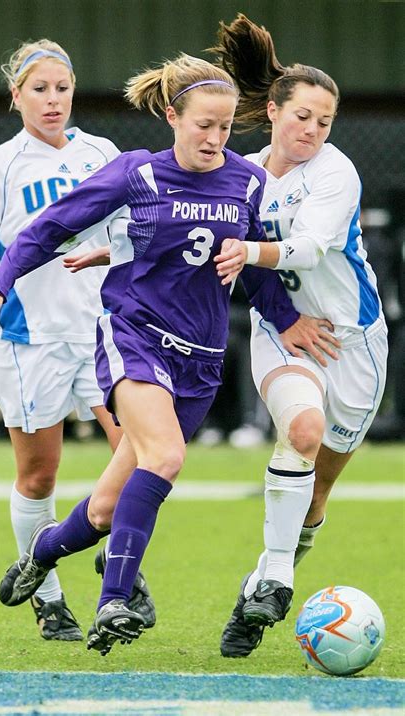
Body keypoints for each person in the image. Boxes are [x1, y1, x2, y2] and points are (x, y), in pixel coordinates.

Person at [0, 51, 340, 656]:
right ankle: (116, 597)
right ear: (173, 116)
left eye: (224, 128)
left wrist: (289, 320)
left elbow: (254, 268)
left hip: (200, 360)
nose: (215, 139)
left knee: (109, 506)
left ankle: (39, 555)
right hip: (134, 336)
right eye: (203, 126)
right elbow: (48, 229)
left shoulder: (246, 181)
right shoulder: (136, 174)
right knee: (164, 457)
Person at [0, 39, 155, 642]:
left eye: (61, 88)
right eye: (39, 89)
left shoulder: (103, 154)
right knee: (38, 477)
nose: (52, 99)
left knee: (139, 456)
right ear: (17, 96)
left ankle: (119, 569)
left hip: (108, 332)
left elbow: (135, 231)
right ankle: (50, 597)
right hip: (31, 339)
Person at [210, 13, 388, 658]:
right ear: (272, 109)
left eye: (324, 120)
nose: (312, 130)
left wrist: (244, 250)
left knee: (315, 494)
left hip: (352, 344)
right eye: (303, 115)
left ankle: (259, 581)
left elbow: (308, 250)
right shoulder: (242, 172)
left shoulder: (335, 174)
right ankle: (280, 576)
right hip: (282, 333)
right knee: (301, 432)